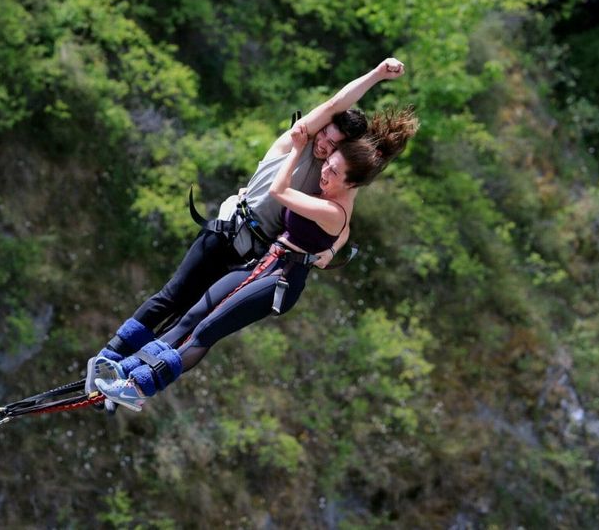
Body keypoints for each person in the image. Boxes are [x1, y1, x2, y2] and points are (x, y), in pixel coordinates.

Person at [87, 59, 408, 397]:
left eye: (333, 144)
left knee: (197, 321)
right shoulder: (294, 142)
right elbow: (333, 105)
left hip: (253, 258)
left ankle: (131, 379)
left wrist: (328, 251)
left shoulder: (330, 179)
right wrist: (376, 75)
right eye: (324, 135)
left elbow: (342, 221)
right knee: (172, 298)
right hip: (227, 232)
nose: (324, 146)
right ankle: (111, 355)